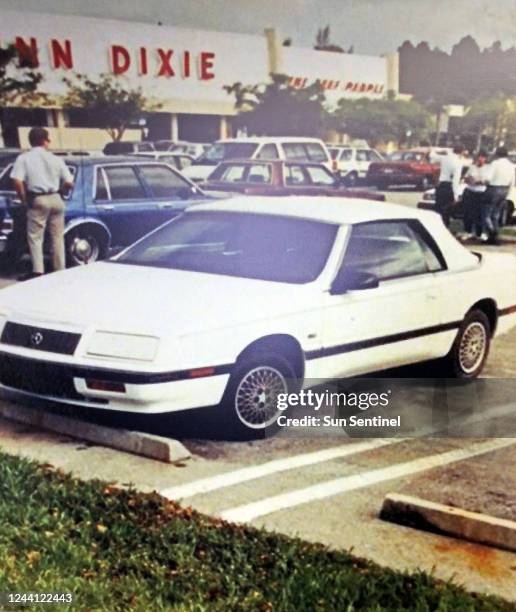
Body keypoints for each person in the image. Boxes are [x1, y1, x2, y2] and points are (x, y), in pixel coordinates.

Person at [10, 127, 74, 278]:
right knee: (57, 237)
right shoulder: (56, 159)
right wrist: (62, 191)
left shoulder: (24, 158)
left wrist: (23, 198)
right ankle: (60, 269)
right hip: (56, 198)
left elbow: (17, 181)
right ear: (45, 141)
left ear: (30, 141)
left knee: (35, 236)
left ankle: (38, 270)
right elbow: (70, 182)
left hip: (37, 198)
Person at [482, 146, 515, 244]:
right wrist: (508, 193)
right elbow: (512, 181)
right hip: (505, 189)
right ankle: (494, 234)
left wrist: (483, 181)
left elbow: (487, 178)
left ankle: (492, 232)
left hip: (494, 188)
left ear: (497, 154)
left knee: (486, 213)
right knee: (496, 214)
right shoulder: (511, 165)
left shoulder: (495, 164)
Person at [462, 149, 490, 239]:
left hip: (481, 193)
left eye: (483, 157)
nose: (480, 159)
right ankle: (468, 231)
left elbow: (486, 181)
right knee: (468, 213)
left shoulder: (488, 168)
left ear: (485, 159)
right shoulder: (472, 167)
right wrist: (471, 180)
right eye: (479, 157)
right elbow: (466, 178)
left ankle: (480, 233)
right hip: (470, 192)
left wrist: (477, 181)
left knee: (480, 214)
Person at [435, 144, 463, 227]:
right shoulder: (458, 162)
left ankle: (437, 225)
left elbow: (431, 155)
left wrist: (443, 149)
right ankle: (445, 226)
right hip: (449, 187)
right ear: (461, 152)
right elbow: (455, 180)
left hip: (440, 185)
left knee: (438, 208)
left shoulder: (444, 157)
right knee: (446, 209)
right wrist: (456, 195)